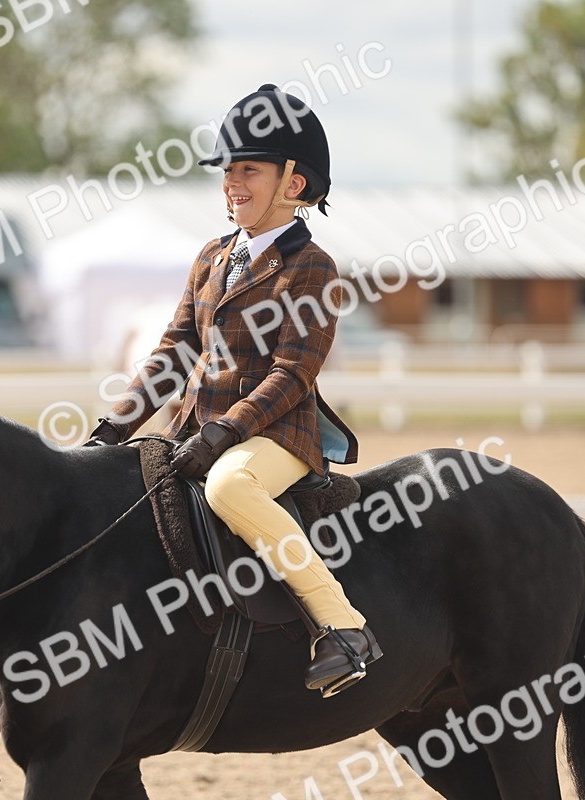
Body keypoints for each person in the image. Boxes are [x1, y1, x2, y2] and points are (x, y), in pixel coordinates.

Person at [85, 84, 380, 697]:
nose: (232, 183)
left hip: (275, 436)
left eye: (249, 170)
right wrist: (114, 426)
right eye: (227, 171)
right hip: (196, 429)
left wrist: (225, 432)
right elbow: (174, 352)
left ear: (294, 183)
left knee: (229, 487)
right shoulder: (212, 257)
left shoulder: (312, 266)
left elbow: (293, 372)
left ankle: (343, 627)